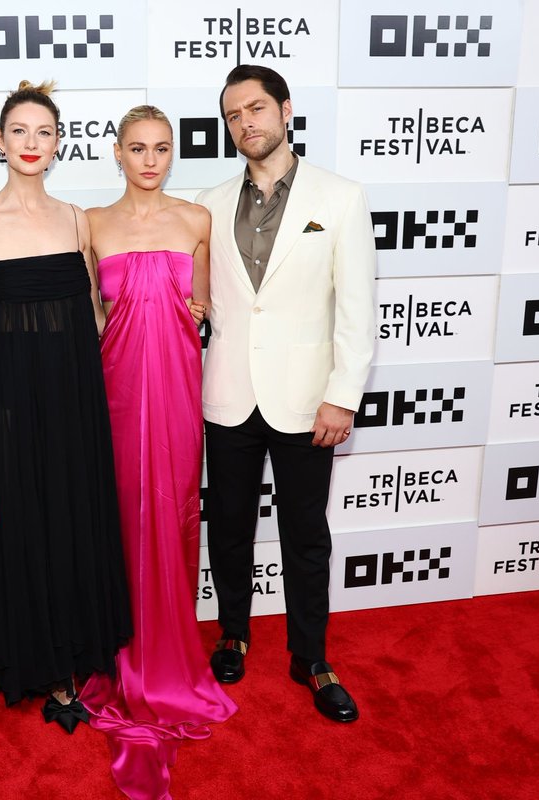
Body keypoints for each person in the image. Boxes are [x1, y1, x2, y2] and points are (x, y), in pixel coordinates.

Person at [0, 80, 132, 730]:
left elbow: (98, 314)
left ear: (58, 144)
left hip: (75, 401)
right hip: (7, 407)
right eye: (18, 131)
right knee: (25, 527)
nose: (31, 143)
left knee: (74, 520)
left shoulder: (79, 220)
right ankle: (44, 666)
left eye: (43, 132)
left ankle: (81, 649)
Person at [196, 65, 376, 723]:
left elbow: (357, 309)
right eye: (234, 115)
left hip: (307, 400)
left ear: (285, 110)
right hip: (228, 393)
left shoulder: (340, 197)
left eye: (256, 109)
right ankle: (233, 634)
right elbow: (199, 299)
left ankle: (312, 657)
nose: (246, 123)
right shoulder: (207, 204)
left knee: (306, 533)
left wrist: (343, 395)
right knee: (231, 527)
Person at [80, 105, 237, 800]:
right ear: (117, 153)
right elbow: (92, 316)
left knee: (171, 513)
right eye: (137, 148)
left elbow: (206, 310)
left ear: (173, 154)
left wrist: (196, 310)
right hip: (114, 391)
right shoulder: (92, 225)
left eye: (162, 148)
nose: (150, 160)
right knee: (118, 517)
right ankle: (122, 654)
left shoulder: (197, 222)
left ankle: (169, 661)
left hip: (175, 388)